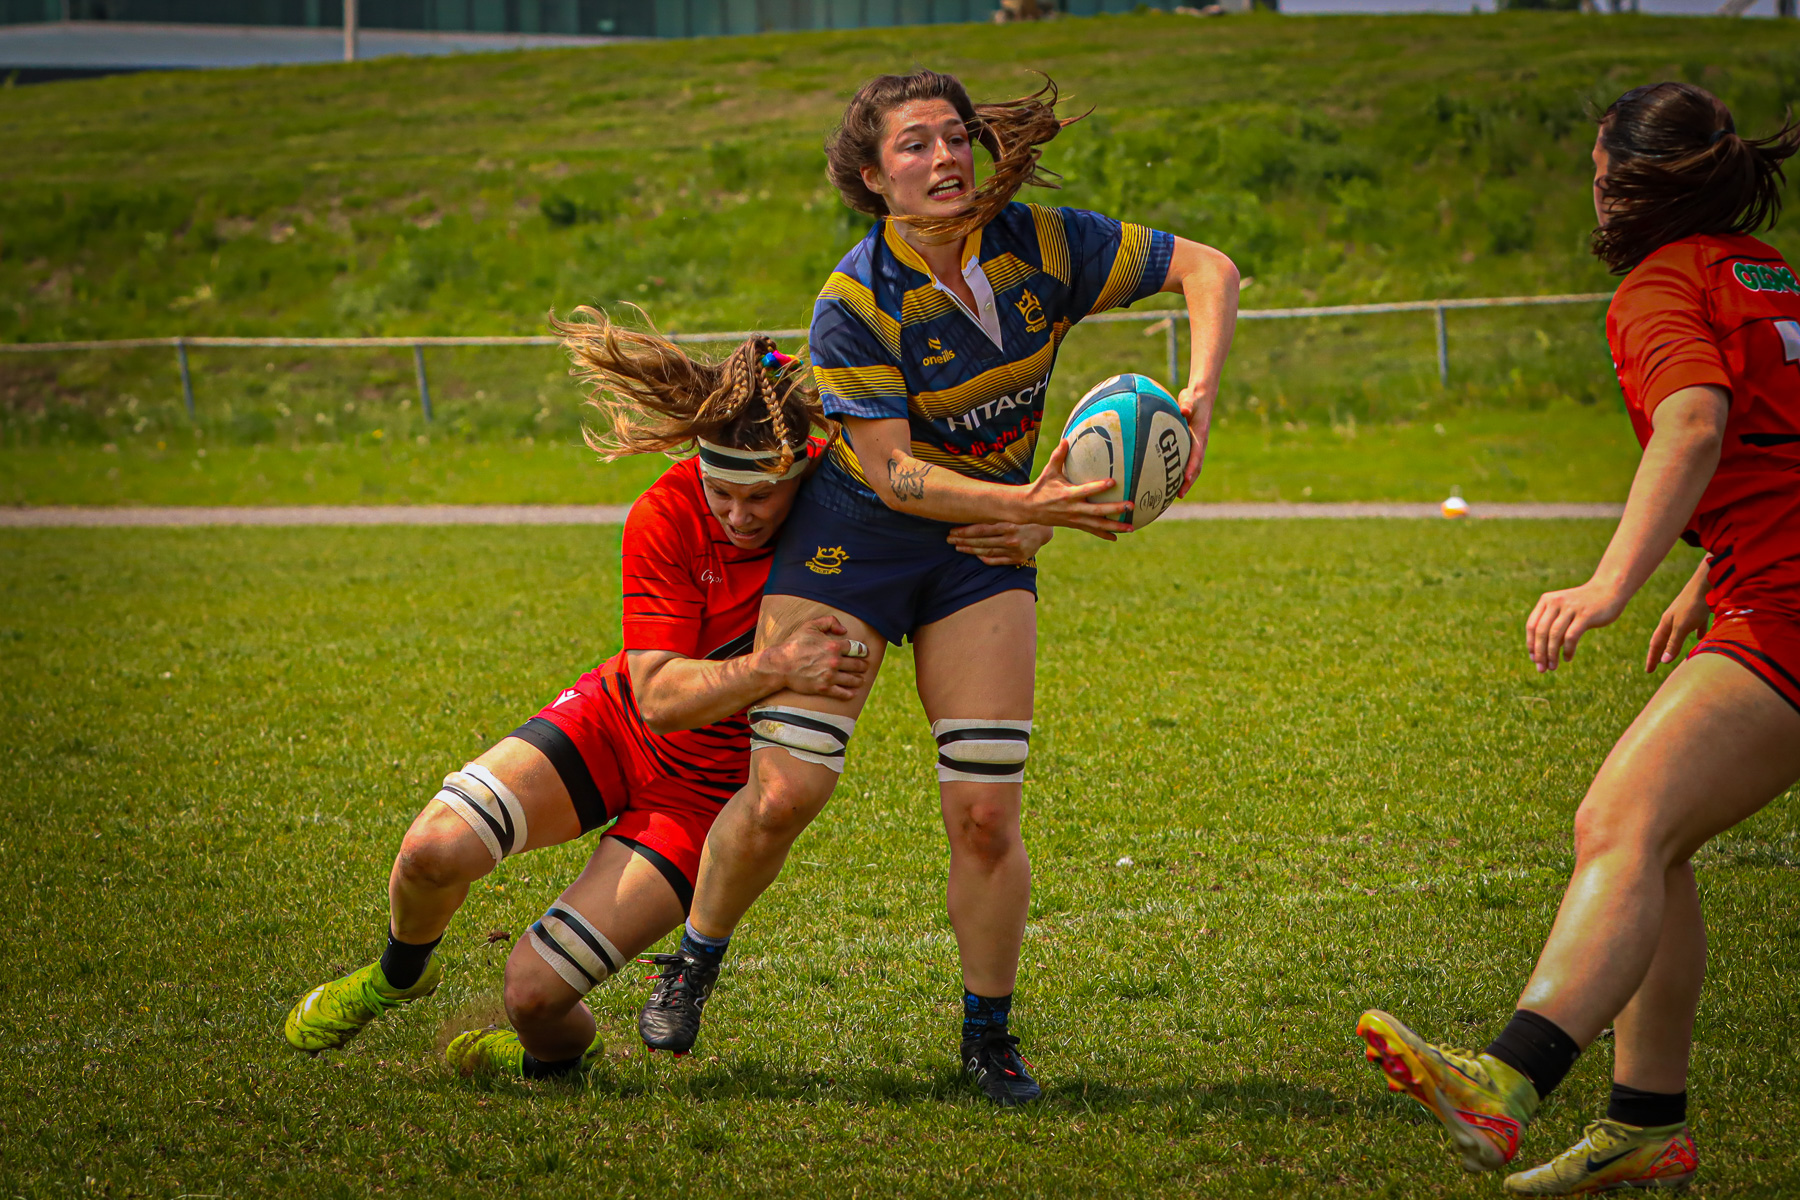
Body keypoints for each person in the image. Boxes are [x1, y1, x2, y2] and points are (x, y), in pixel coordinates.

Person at [632, 69, 1240, 1107]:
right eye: (914, 144)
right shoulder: (854, 300)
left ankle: (987, 1042)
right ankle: (693, 960)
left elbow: (1210, 269)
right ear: (873, 177)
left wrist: (1198, 396)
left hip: (980, 551)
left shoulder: (1046, 244)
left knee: (986, 814)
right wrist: (1033, 507)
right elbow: (892, 475)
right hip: (855, 543)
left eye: (955, 135)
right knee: (785, 794)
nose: (945, 157)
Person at [1357, 82, 1800, 1195]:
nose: (1591, 194)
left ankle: (1507, 1082)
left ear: (1628, 185)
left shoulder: (1662, 285)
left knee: (1618, 821)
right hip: (1764, 585)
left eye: (1598, 174)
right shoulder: (1769, 272)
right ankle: (1646, 1124)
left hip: (1789, 604)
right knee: (1658, 839)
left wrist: (1609, 583)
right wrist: (1708, 572)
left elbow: (1694, 423)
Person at [281, 314, 868, 1078]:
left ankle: (558, 1063)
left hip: (703, 799)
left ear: (799, 474)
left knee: (531, 998)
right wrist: (775, 667)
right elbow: (657, 699)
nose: (738, 514)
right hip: (616, 724)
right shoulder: (665, 512)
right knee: (430, 852)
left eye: (761, 496)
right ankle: (398, 974)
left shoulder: (843, 510)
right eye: (722, 492)